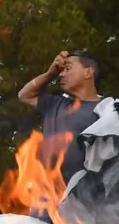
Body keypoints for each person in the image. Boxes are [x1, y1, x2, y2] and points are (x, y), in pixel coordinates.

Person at [17, 49, 104, 202]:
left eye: (68, 68)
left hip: (83, 202)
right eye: (61, 70)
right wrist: (50, 73)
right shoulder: (56, 104)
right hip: (45, 200)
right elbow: (24, 95)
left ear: (88, 72)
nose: (61, 74)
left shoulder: (106, 110)